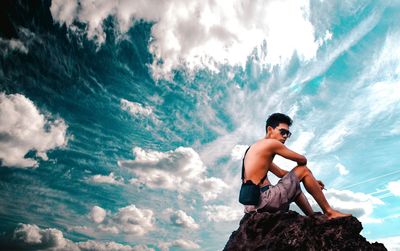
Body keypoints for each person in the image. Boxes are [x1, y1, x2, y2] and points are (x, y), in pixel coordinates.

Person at [243, 113, 351, 219]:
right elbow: (302, 160)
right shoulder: (272, 143)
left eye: (288, 134)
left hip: (253, 205)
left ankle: (312, 217)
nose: (285, 136)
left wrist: (312, 180)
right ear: (270, 129)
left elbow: (281, 173)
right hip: (266, 199)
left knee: (295, 187)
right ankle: (329, 212)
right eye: (283, 132)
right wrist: (305, 174)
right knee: (303, 170)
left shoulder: (253, 151)